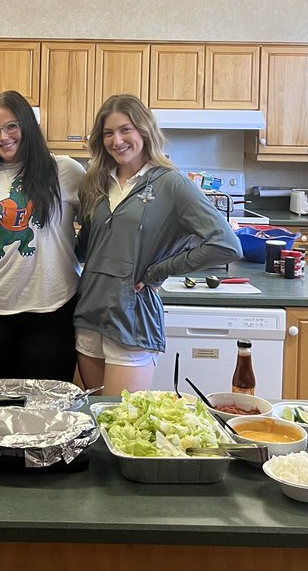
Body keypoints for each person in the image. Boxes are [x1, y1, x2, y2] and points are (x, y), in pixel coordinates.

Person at [74, 93, 240, 396]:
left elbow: (226, 244)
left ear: (144, 131)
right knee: (94, 422)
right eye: (108, 133)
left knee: (120, 422)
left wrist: (158, 271)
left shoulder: (171, 184)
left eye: (126, 129)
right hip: (89, 314)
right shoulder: (94, 183)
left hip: (132, 318)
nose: (117, 140)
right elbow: (86, 249)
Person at [0, 91, 83, 381]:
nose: (3, 137)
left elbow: (102, 223)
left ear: (27, 125)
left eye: (11, 126)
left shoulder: (64, 170)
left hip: (52, 309)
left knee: (48, 413)